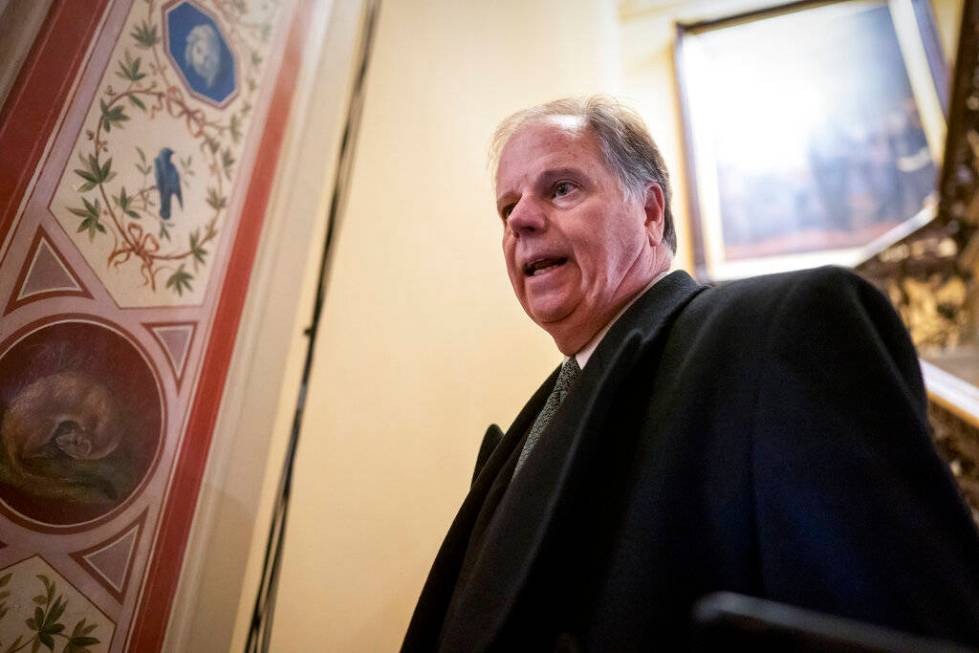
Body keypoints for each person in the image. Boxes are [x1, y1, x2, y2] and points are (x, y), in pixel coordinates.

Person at [402, 97, 979, 651]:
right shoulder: (536, 421)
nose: (521, 220)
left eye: (561, 188)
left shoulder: (783, 330)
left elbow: (894, 626)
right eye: (507, 208)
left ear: (650, 213)